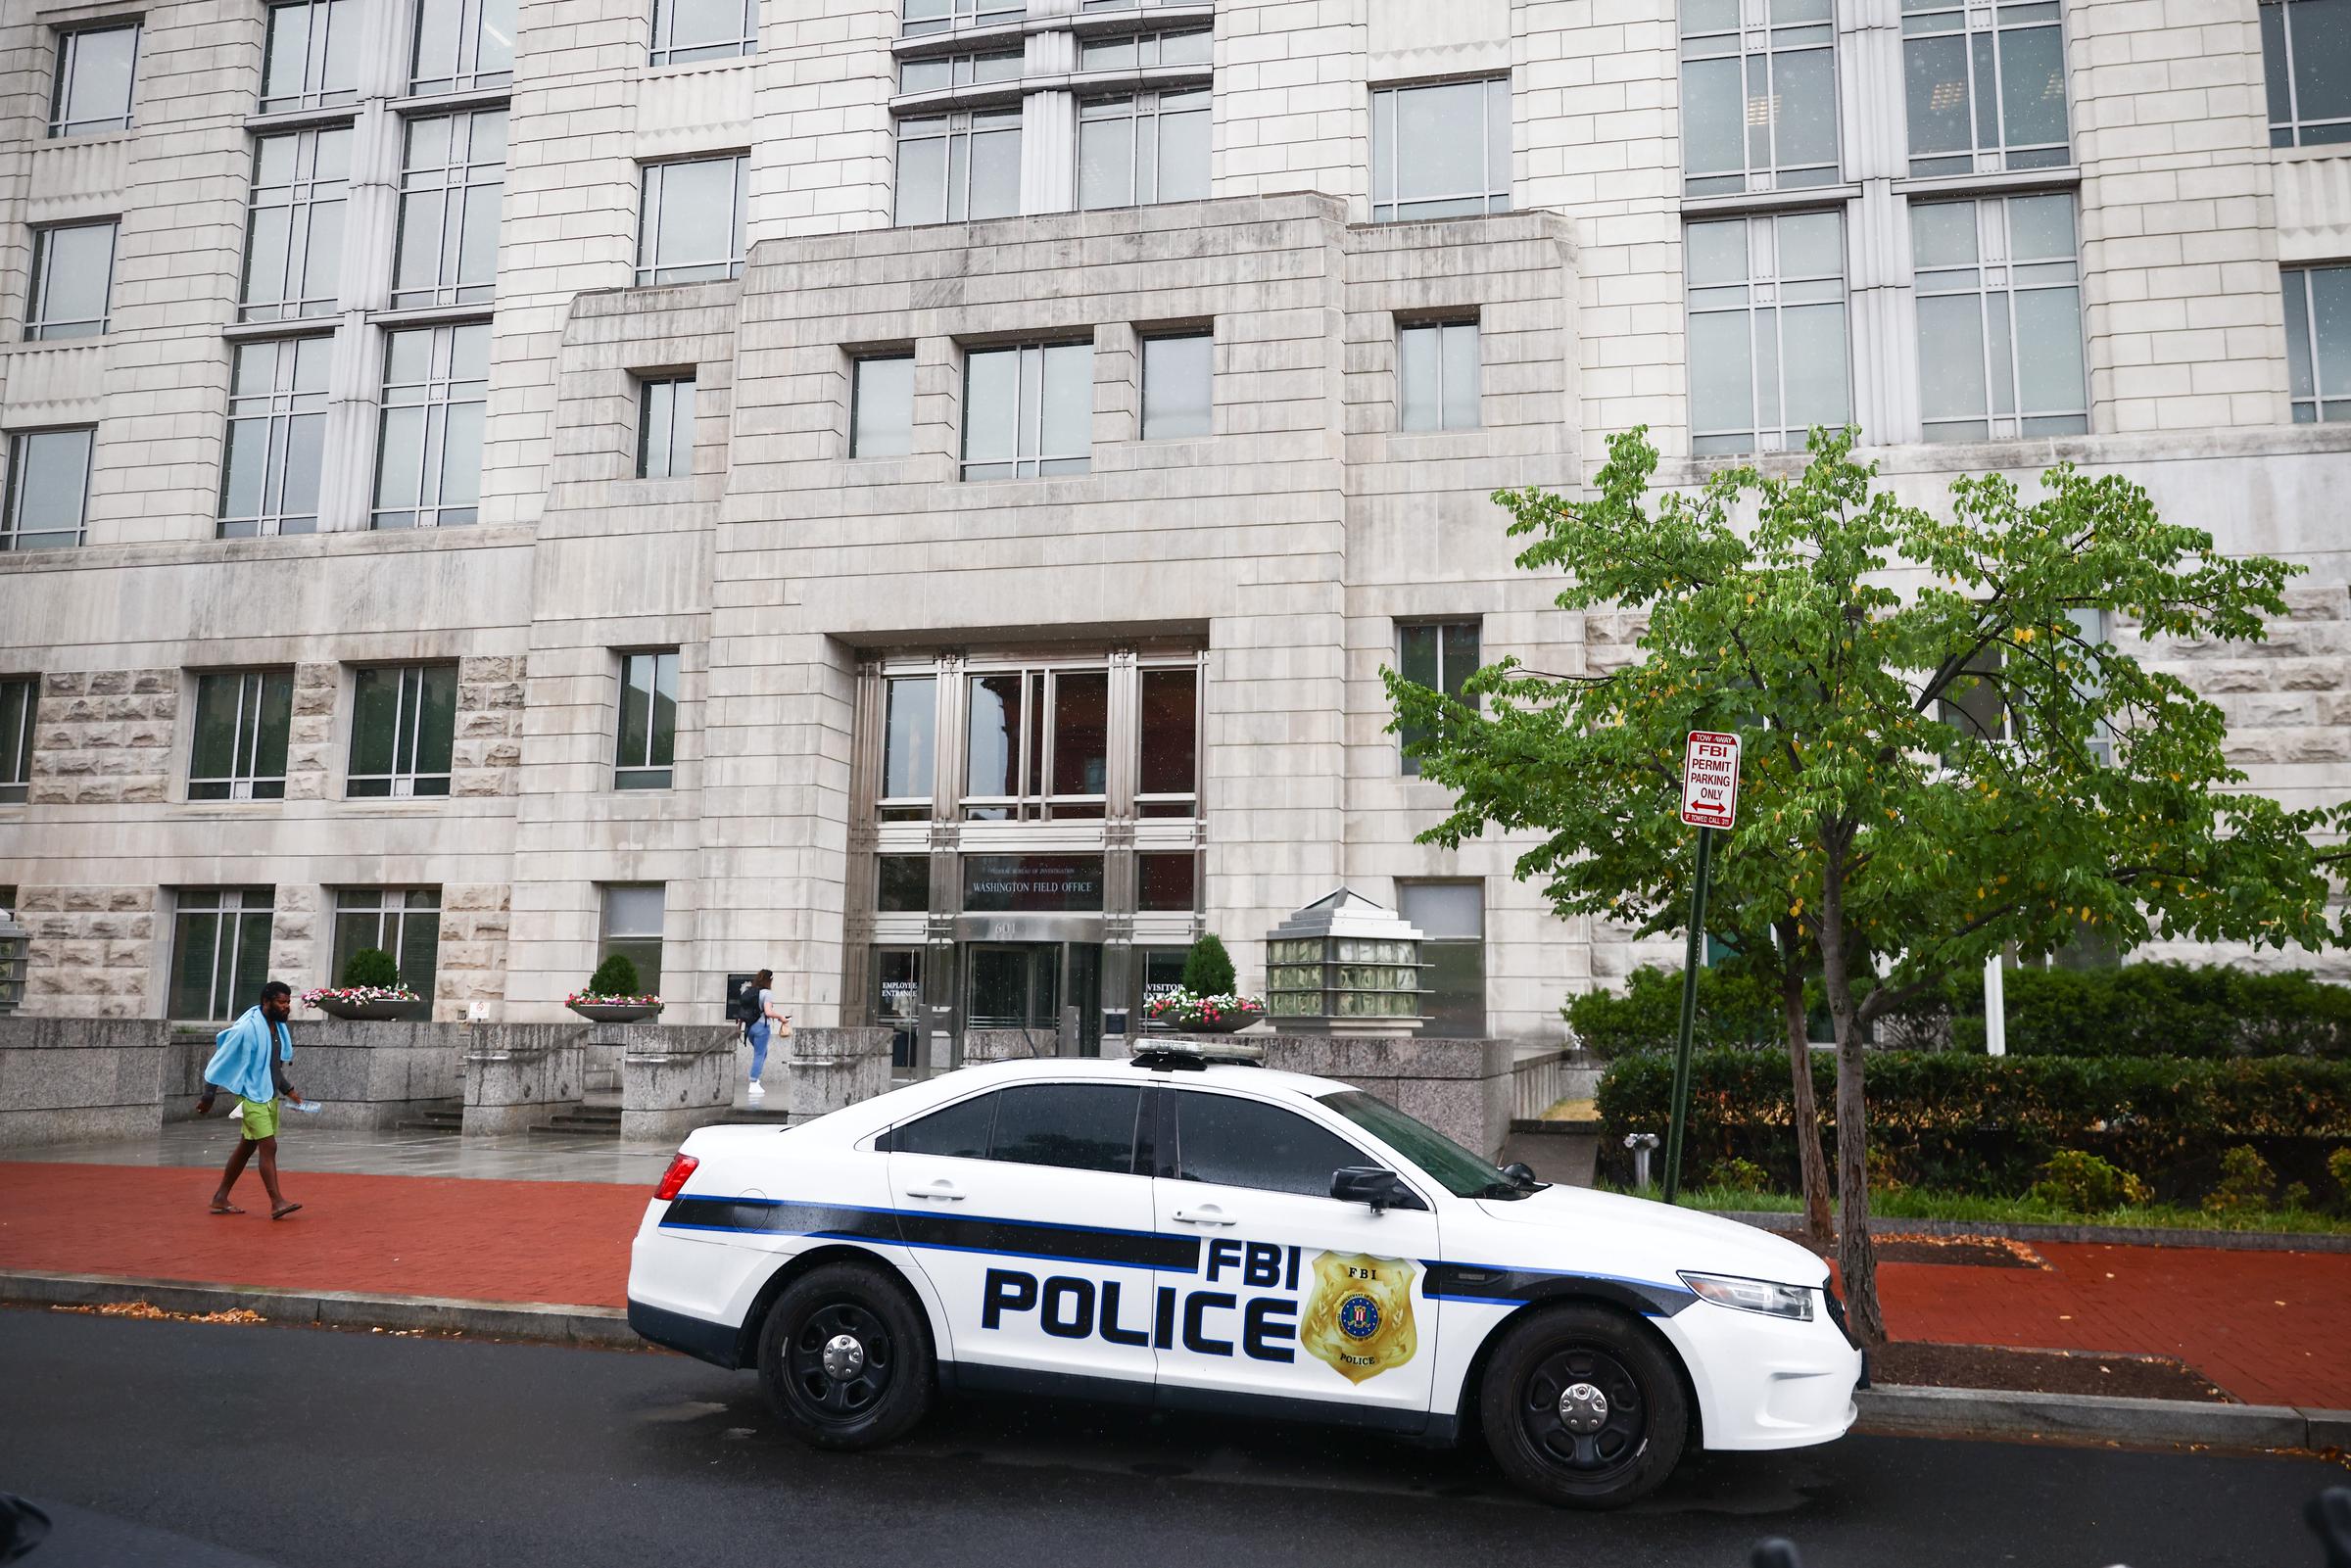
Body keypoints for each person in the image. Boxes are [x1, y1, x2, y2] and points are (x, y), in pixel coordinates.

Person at [193, 979, 304, 1219]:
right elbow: (220, 1061)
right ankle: (277, 1202)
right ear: (267, 1002)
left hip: (268, 1095)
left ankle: (220, 1197)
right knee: (269, 1146)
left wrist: (289, 1090)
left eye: (288, 1002)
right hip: (251, 1097)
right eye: (281, 1002)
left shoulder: (276, 1029)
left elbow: (272, 1067)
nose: (286, 1007)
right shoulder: (247, 1028)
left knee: (246, 1147)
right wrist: (208, 1095)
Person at [744, 969, 790, 1103]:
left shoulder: (750, 992)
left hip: (749, 1028)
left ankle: (756, 1080)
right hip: (761, 1028)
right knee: (759, 1054)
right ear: (769, 980)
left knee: (763, 1053)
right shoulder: (766, 994)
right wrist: (781, 1017)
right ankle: (753, 1082)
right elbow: (768, 1012)